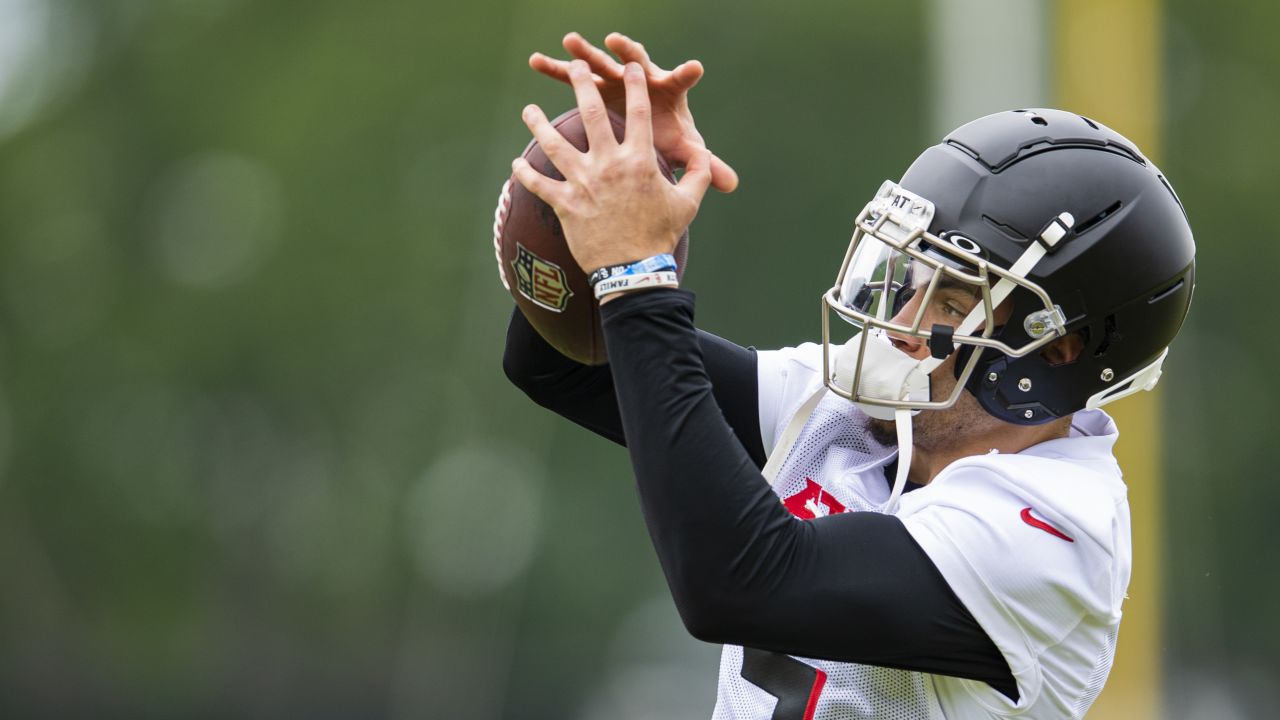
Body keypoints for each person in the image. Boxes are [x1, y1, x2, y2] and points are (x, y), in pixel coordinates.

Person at [503, 32, 1196, 720]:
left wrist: (637, 272)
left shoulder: (1057, 529)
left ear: (1055, 350)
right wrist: (604, 189)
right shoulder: (871, 404)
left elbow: (736, 583)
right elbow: (564, 364)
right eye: (914, 278)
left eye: (953, 300)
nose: (903, 321)